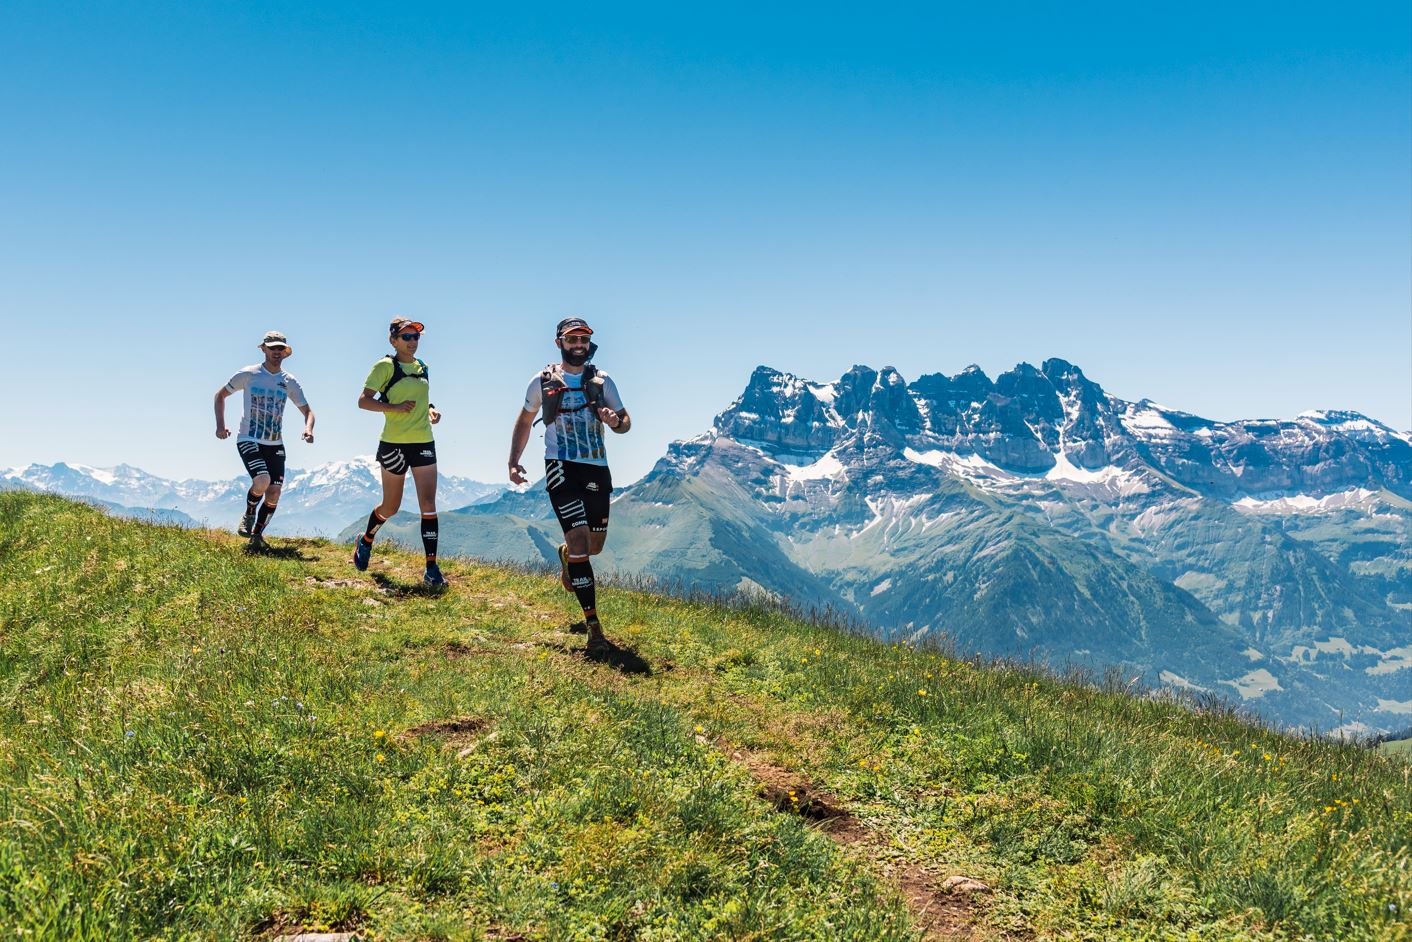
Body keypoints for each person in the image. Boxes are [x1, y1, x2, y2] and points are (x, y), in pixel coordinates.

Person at [508, 317, 631, 655]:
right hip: (560, 466)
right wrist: (513, 461)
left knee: (594, 547)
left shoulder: (603, 381)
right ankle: (594, 629)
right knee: (579, 542)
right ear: (559, 342)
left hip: (596, 468)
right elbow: (524, 420)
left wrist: (615, 422)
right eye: (572, 339)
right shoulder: (542, 381)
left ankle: (567, 558)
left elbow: (625, 422)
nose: (578, 345)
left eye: (583, 339)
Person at [352, 316, 446, 587]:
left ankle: (431, 569)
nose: (412, 341)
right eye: (406, 337)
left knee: (428, 505)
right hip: (394, 444)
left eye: (415, 336)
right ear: (393, 340)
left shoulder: (422, 367)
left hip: (423, 442)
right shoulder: (385, 366)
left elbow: (422, 399)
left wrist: (431, 410)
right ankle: (366, 540)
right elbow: (363, 401)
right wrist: (394, 408)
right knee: (391, 506)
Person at [213, 330, 315, 549]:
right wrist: (220, 425)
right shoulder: (248, 374)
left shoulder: (289, 381)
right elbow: (220, 395)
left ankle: (257, 536)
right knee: (262, 481)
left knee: (274, 493)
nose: (276, 352)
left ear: (285, 352)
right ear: (264, 350)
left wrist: (308, 429)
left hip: (275, 443)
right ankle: (249, 513)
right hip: (248, 438)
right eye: (272, 348)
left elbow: (308, 412)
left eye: (280, 348)